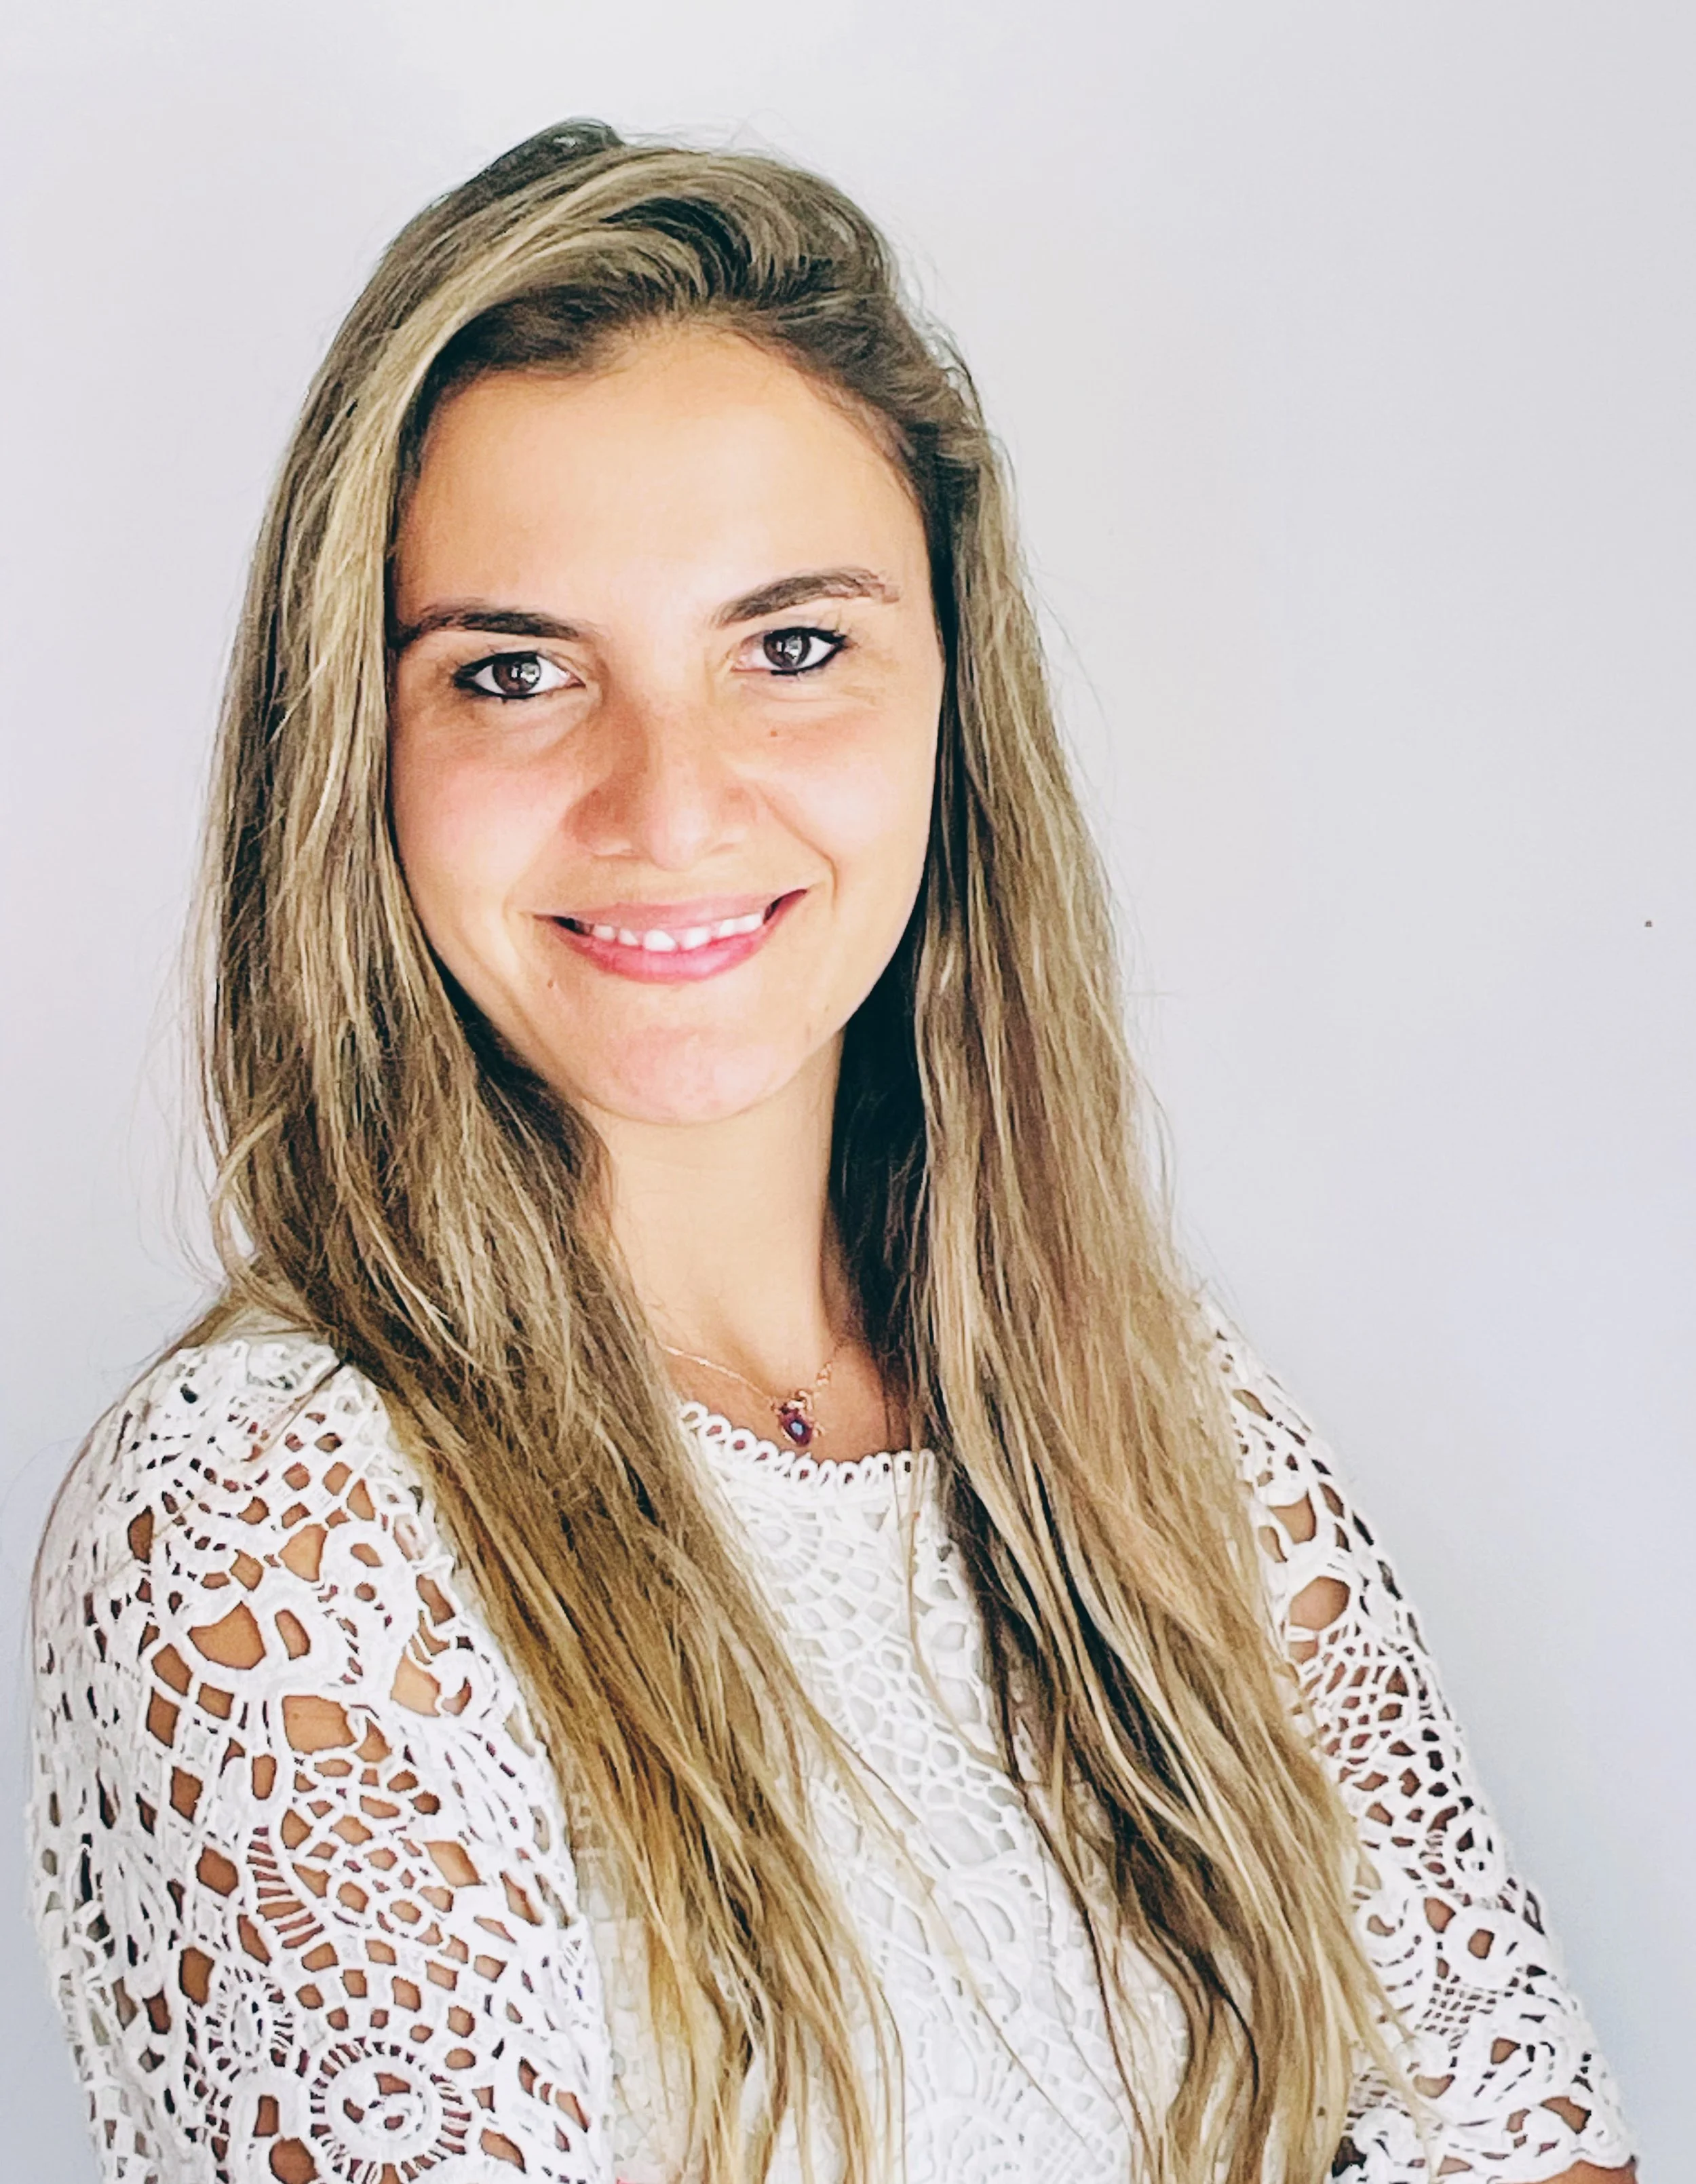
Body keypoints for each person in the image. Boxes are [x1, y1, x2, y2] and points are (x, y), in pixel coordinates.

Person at [26, 120, 1635, 2184]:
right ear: (363, 750)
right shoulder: (275, 1527)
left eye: (790, 648)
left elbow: (1520, 2151)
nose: (667, 800)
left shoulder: (1168, 1430)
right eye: (514, 674)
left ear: (949, 697)